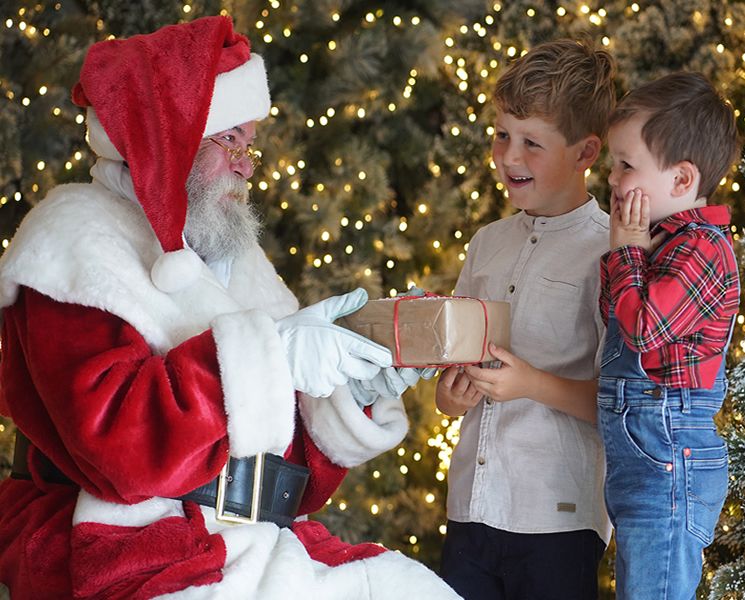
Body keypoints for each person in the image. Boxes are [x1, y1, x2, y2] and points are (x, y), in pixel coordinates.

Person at [0, 16, 459, 600]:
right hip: (118, 548)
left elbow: (283, 482)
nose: (246, 164)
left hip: (243, 542)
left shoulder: (234, 263)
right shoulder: (75, 243)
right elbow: (123, 456)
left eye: (250, 146)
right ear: (170, 143)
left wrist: (352, 391)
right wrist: (277, 357)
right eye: (229, 140)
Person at [435, 39, 616, 599]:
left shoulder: (611, 251)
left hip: (557, 520)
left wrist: (528, 385)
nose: (509, 157)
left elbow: (618, 402)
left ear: (586, 153)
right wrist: (453, 393)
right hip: (471, 510)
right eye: (502, 135)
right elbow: (446, 392)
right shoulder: (486, 244)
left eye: (532, 143)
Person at [598, 70, 740, 598]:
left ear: (681, 181)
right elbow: (610, 316)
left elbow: (642, 330)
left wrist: (627, 252)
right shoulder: (656, 241)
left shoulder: (703, 249)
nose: (612, 178)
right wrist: (628, 250)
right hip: (639, 453)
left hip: (670, 453)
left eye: (626, 165)